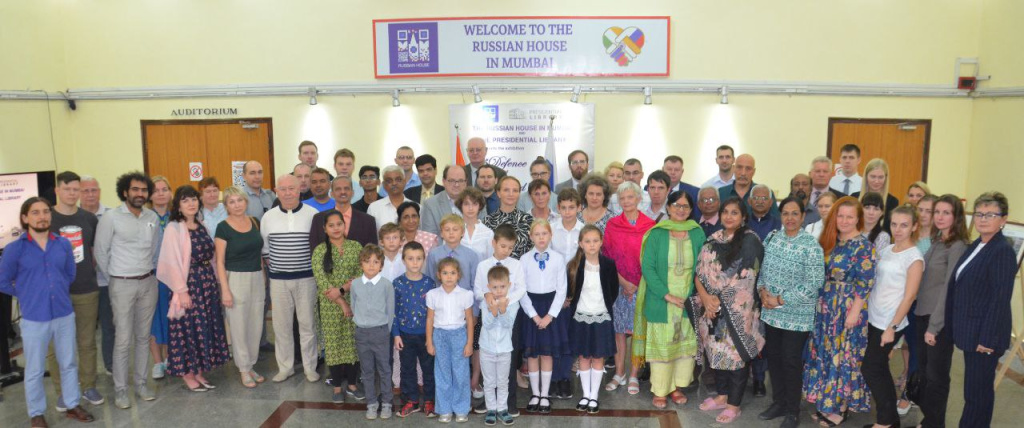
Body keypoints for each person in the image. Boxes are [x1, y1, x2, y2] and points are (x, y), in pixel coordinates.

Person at [1, 197, 96, 426]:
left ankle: (72, 404)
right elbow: (3, 280)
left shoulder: (63, 244)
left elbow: (69, 274)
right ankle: (36, 413)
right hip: (34, 318)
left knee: (68, 363)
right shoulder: (15, 249)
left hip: (64, 313)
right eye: (35, 213)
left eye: (45, 211)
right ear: (25, 218)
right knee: (34, 369)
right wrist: (26, 293)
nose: (42, 216)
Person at [803, 196, 876, 427]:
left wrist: (854, 312)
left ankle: (842, 407)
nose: (844, 221)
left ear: (858, 219)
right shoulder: (830, 241)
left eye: (849, 217)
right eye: (840, 216)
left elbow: (865, 283)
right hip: (825, 306)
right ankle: (828, 402)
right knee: (826, 353)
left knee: (845, 356)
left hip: (847, 308)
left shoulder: (864, 246)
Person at [692, 196, 765, 424]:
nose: (729, 216)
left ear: (743, 217)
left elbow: (745, 277)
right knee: (716, 353)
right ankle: (722, 396)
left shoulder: (750, 241)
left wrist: (717, 302)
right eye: (725, 212)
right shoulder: (712, 240)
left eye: (735, 212)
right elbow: (699, 273)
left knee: (735, 357)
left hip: (737, 312)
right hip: (711, 310)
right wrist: (706, 299)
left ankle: (734, 405)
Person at [946, 192, 1016, 428]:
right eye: (979, 214)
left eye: (990, 215)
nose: (983, 219)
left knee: (977, 394)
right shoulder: (978, 244)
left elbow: (1000, 298)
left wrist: (987, 338)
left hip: (985, 336)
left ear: (1003, 219)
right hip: (971, 330)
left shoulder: (1002, 251)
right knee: (975, 392)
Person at [633, 191, 707, 409]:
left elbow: (704, 266)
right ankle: (660, 390)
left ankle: (677, 387)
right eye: (676, 205)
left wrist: (692, 294)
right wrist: (666, 294)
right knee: (662, 347)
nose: (681, 210)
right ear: (669, 207)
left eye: (685, 206)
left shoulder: (697, 233)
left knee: (683, 347)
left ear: (691, 210)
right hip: (661, 300)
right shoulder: (657, 233)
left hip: (688, 300)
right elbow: (648, 267)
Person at [756, 197, 825, 428]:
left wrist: (780, 299)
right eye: (785, 213)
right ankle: (779, 403)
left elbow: (814, 283)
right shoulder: (772, 237)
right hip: (771, 312)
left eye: (795, 213)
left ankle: (793, 411)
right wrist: (762, 291)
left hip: (797, 316)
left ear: (803, 216)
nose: (790, 218)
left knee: (791, 361)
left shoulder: (811, 246)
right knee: (774, 358)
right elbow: (762, 269)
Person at [95, 171, 160, 409]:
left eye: (144, 190)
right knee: (123, 339)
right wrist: (115, 276)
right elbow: (100, 252)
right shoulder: (111, 217)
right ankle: (121, 390)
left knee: (143, 337)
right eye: (135, 189)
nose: (140, 194)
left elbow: (154, 251)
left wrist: (149, 275)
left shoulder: (151, 217)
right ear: (125, 192)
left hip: (147, 283)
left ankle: (141, 385)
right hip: (121, 284)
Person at [156, 185, 231, 392]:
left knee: (203, 328)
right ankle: (187, 374)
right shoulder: (174, 228)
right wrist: (182, 291)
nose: (191, 204)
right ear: (178, 205)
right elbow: (170, 262)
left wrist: (218, 283)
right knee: (188, 330)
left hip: (206, 284)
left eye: (193, 199)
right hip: (188, 286)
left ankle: (198, 371)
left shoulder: (201, 225)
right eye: (185, 200)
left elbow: (212, 257)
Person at [46, 171, 104, 408]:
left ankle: (88, 386)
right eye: (67, 189)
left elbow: (94, 252)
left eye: (75, 189)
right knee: (56, 345)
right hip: (55, 292)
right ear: (57, 190)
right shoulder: (46, 217)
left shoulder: (89, 219)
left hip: (85, 288)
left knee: (87, 342)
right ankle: (63, 391)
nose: (72, 193)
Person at [862, 205, 924, 428]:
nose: (898, 229)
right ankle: (890, 420)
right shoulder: (888, 249)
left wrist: (892, 327)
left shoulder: (914, 258)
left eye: (904, 225)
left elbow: (910, 297)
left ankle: (886, 421)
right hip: (873, 316)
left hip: (890, 322)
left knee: (871, 368)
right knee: (878, 368)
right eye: (894, 224)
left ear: (914, 226)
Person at [914, 194, 968, 428]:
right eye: (937, 212)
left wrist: (934, 327)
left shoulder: (957, 246)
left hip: (939, 321)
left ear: (956, 216)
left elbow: (949, 289)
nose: (940, 217)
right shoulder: (937, 241)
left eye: (946, 212)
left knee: (936, 378)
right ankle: (930, 421)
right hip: (922, 315)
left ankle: (935, 424)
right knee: (926, 374)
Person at [261, 174, 320, 383]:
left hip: (307, 279)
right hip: (279, 281)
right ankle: (285, 367)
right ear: (276, 191)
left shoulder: (312, 214)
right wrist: (279, 269)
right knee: (281, 326)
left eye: (291, 188)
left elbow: (317, 248)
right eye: (283, 189)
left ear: (299, 190)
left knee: (308, 325)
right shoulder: (268, 217)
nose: (287, 193)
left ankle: (310, 367)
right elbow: (266, 250)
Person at [602, 181, 656, 395]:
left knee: (638, 332)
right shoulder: (613, 225)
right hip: (618, 286)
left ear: (639, 198)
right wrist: (623, 283)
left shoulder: (650, 225)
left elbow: (652, 259)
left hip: (643, 286)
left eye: (630, 197)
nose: (626, 201)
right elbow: (607, 257)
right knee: (619, 332)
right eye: (622, 198)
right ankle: (619, 373)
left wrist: (638, 284)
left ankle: (634, 374)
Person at [473, 225, 528, 418]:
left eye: (510, 247)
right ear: (493, 243)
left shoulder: (516, 265)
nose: (507, 250)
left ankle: (508, 403)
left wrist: (506, 302)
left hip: (509, 314)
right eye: (503, 246)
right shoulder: (483, 265)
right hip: (488, 312)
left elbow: (521, 289)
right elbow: (477, 290)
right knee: (489, 360)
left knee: (508, 361)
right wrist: (487, 295)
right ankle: (490, 403)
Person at [214, 186, 266, 388]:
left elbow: (258, 253)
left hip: (256, 277)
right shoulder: (223, 227)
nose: (236, 205)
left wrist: (262, 277)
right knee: (238, 326)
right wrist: (225, 290)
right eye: (231, 202)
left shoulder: (254, 222)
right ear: (226, 206)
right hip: (235, 279)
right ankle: (243, 368)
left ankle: (250, 364)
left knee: (255, 324)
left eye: (240, 200)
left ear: (246, 202)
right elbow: (219, 262)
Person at [425, 214, 481, 400]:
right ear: (441, 233)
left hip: (465, 312)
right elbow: (431, 282)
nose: (451, 233)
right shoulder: (434, 254)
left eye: (455, 229)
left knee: (464, 356)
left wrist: (474, 313)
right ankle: (445, 400)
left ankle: (466, 392)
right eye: (447, 230)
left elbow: (475, 285)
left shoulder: (471, 255)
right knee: (443, 363)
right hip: (442, 315)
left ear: (462, 232)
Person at [312, 210, 365, 403]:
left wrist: (343, 290)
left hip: (354, 300)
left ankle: (352, 385)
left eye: (339, 224)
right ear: (325, 229)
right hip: (329, 305)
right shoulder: (320, 251)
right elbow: (321, 280)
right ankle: (336, 387)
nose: (336, 228)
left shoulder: (355, 247)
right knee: (334, 345)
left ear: (344, 225)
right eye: (331, 225)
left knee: (352, 344)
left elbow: (361, 273)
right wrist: (341, 302)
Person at [565, 225, 618, 414]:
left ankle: (594, 396)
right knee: (583, 357)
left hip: (601, 316)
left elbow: (613, 290)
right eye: (587, 241)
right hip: (581, 316)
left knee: (598, 357)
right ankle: (585, 395)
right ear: (581, 244)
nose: (592, 244)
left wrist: (602, 308)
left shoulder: (608, 265)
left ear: (601, 242)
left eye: (595, 240)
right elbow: (571, 291)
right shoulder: (574, 266)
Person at [520, 219, 569, 414]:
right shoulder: (524, 259)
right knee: (533, 353)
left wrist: (550, 315)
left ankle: (545, 394)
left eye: (544, 233)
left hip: (550, 308)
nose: (541, 237)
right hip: (531, 308)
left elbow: (561, 289)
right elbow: (521, 289)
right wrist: (533, 315)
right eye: (537, 234)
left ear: (550, 235)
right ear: (531, 236)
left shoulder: (558, 259)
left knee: (547, 353)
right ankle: (535, 394)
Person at [426, 257, 476, 423]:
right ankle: (445, 409)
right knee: (442, 373)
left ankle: (461, 408)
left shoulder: (465, 295)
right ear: (439, 275)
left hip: (459, 335)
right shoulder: (433, 294)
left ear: (458, 275)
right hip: (440, 335)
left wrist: (469, 343)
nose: (449, 277)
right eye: (445, 273)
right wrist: (429, 341)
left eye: (453, 273)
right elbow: (430, 319)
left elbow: (469, 320)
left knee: (460, 373)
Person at [391, 242, 437, 417]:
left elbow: (435, 312)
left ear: (424, 260)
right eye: (410, 259)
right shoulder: (397, 283)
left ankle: (430, 400)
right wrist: (396, 334)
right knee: (407, 369)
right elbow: (394, 311)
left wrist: (432, 336)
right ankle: (411, 400)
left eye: (419, 258)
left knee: (428, 368)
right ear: (404, 260)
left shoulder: (430, 283)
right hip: (405, 334)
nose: (415, 262)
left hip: (426, 335)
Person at [351, 244, 396, 419]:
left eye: (376, 262)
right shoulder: (355, 284)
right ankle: (371, 403)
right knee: (367, 370)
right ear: (361, 263)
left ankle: (386, 402)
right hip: (362, 333)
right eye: (367, 261)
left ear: (381, 265)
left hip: (381, 332)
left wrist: (385, 331)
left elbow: (390, 311)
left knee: (384, 369)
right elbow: (354, 306)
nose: (371, 265)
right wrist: (361, 322)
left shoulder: (386, 285)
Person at [80, 176, 115, 375]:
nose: (90, 194)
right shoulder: (72, 216)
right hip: (79, 284)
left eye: (94, 190)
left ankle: (110, 365)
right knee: (83, 330)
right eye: (85, 191)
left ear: (99, 192)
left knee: (109, 325)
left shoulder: (111, 214)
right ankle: (84, 371)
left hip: (106, 281)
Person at [479, 265, 520, 425]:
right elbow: (487, 324)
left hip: (505, 349)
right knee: (489, 381)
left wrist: (502, 310)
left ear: (509, 285)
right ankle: (491, 409)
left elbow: (508, 324)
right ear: (489, 287)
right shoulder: (485, 303)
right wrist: (494, 311)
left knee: (503, 382)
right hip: (486, 348)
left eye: (502, 286)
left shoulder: (513, 304)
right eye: (495, 287)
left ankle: (502, 409)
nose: (499, 291)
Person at [146, 176, 172, 382]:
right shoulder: (144, 217)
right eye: (156, 190)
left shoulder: (177, 216)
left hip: (173, 276)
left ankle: (171, 358)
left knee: (172, 317)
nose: (161, 193)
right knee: (153, 319)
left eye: (164, 189)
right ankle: (157, 362)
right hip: (151, 275)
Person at [308, 176, 379, 249]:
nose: (343, 192)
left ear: (352, 193)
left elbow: (372, 251)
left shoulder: (368, 221)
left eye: (346, 188)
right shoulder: (319, 219)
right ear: (332, 194)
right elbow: (314, 250)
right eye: (338, 189)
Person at [484, 176, 535, 259]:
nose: (511, 194)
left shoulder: (528, 220)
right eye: (506, 190)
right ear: (498, 193)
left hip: (522, 266)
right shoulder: (488, 221)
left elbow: (533, 250)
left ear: (519, 194)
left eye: (515, 190)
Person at [422, 165, 478, 236]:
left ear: (466, 182)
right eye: (452, 181)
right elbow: (430, 237)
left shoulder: (476, 201)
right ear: (444, 181)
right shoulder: (430, 205)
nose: (456, 185)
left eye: (460, 181)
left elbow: (483, 232)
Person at [852, 158, 900, 230]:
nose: (876, 181)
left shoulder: (892, 202)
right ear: (866, 176)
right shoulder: (854, 198)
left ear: (886, 178)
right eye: (873, 176)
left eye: (880, 177)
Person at [368, 165, 410, 231]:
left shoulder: (416, 207)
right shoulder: (374, 208)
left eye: (398, 180)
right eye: (389, 181)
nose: (394, 183)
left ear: (404, 182)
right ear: (384, 185)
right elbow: (370, 234)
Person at [456, 188, 494, 261]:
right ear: (461, 206)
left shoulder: (488, 233)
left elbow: (491, 261)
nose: (470, 208)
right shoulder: (452, 230)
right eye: (466, 204)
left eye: (475, 204)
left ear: (480, 206)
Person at [551, 188, 583, 259]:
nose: (567, 212)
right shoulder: (550, 230)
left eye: (571, 207)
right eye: (563, 208)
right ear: (558, 208)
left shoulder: (584, 230)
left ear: (579, 208)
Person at [806, 156, 838, 225]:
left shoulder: (840, 198)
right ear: (810, 174)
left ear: (831, 175)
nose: (821, 174)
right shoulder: (800, 196)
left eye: (825, 171)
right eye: (817, 171)